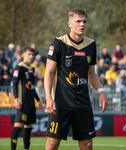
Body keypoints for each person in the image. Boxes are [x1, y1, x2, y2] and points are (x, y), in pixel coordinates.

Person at [44, 9, 108, 150]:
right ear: (70, 24)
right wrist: (48, 98)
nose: (82, 24)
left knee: (87, 144)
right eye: (78, 21)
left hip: (83, 103)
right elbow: (48, 72)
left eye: (84, 21)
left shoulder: (91, 45)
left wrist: (101, 91)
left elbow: (91, 73)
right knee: (53, 143)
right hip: (60, 103)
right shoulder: (58, 43)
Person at [11, 47, 44, 150]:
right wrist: (16, 99)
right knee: (17, 129)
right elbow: (14, 85)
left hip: (30, 104)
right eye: (29, 54)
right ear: (23, 55)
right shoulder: (19, 68)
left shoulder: (32, 68)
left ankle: (26, 149)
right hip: (22, 103)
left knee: (28, 129)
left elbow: (32, 87)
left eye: (32, 54)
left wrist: (38, 100)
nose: (31, 56)